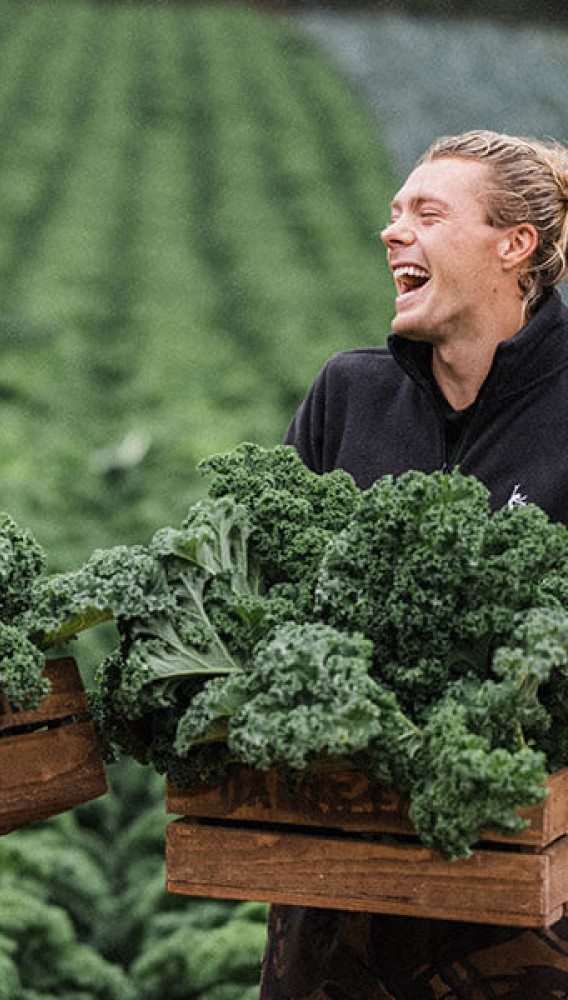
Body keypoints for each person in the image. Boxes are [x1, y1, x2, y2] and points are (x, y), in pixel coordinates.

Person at [259, 129, 568, 998]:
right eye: (394, 215)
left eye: (427, 213)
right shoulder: (349, 394)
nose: (394, 232)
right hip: (336, 887)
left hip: (528, 897)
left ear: (516, 246)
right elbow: (275, 599)